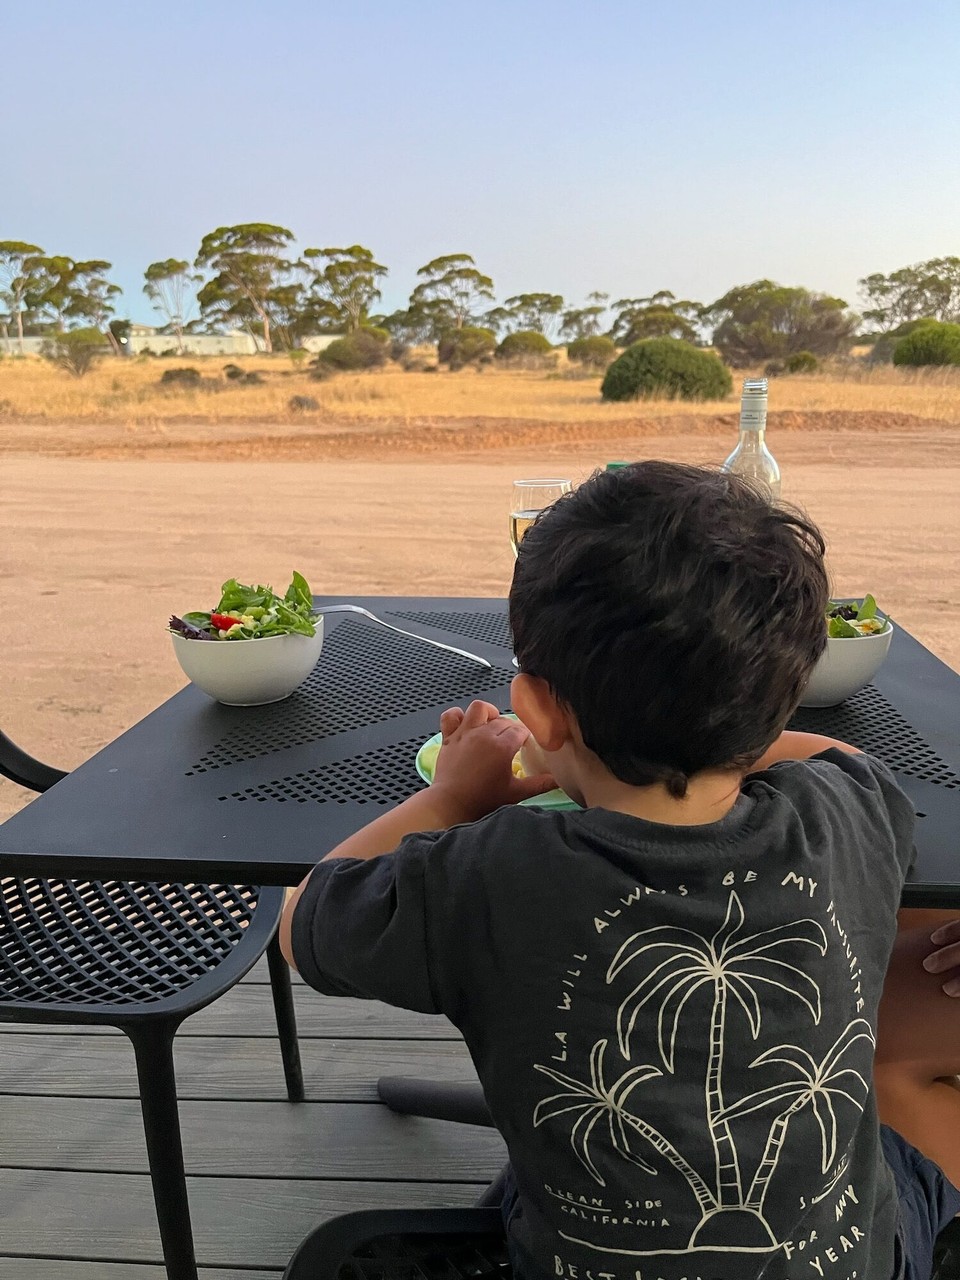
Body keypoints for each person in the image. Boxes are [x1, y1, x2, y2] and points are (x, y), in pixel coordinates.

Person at [280, 462, 960, 1280]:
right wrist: (723, 725)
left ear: (536, 709)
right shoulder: (847, 811)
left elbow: (302, 922)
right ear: (784, 694)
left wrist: (453, 798)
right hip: (860, 1263)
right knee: (911, 1080)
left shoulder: (491, 874)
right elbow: (839, 755)